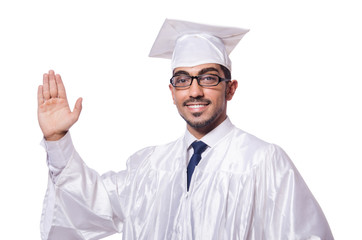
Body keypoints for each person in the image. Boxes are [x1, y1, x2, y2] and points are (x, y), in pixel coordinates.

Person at [38, 19, 333, 240]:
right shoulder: (149, 166)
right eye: (182, 79)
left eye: (208, 78)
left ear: (230, 89)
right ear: (172, 91)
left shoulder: (263, 161)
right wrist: (57, 139)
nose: (194, 91)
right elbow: (89, 206)